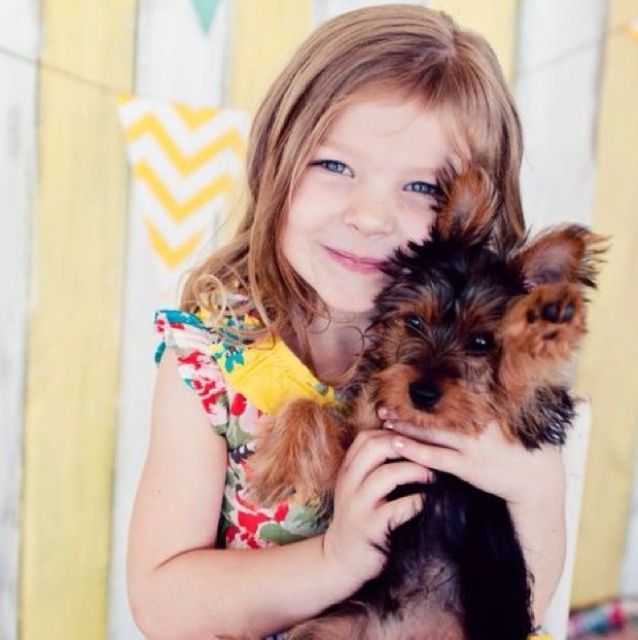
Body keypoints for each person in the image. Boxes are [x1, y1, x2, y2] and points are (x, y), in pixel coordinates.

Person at [127, 5, 566, 639]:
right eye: (334, 166)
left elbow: (513, 606)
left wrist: (533, 485)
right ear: (276, 161)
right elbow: (161, 603)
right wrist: (335, 560)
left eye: (423, 188)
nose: (369, 216)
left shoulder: (486, 375)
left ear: (472, 213)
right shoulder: (209, 362)